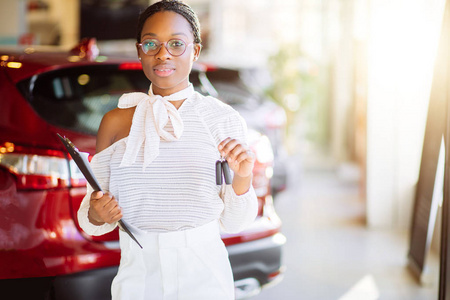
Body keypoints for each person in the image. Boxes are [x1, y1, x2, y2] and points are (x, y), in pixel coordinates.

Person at [77, 0, 258, 299]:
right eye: (151, 44)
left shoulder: (221, 119)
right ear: (139, 51)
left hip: (203, 276)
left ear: (195, 51)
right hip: (137, 276)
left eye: (176, 44)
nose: (163, 54)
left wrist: (243, 176)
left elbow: (236, 222)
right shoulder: (115, 122)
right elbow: (91, 217)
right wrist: (98, 214)